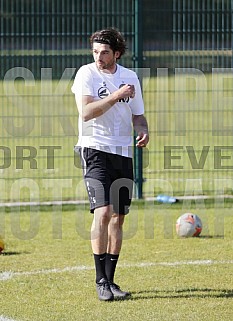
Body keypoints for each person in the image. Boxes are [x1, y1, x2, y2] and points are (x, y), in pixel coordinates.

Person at [71, 28, 149, 301]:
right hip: (94, 150)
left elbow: (138, 115)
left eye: (104, 52)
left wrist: (143, 130)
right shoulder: (87, 74)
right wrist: (116, 95)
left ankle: (111, 281)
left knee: (118, 217)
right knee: (102, 213)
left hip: (122, 153)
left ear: (117, 53)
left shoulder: (130, 77)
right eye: (95, 51)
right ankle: (100, 280)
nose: (98, 57)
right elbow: (87, 112)